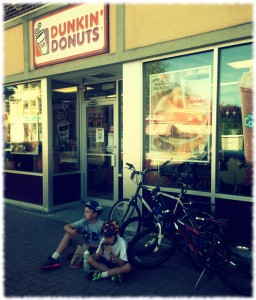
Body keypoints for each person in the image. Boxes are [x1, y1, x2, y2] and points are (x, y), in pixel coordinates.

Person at [40, 200, 104, 270]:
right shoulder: (84, 221)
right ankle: (54, 257)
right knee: (69, 233)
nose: (84, 214)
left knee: (75, 261)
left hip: (96, 251)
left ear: (95, 214)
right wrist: (72, 231)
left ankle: (80, 258)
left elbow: (102, 245)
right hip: (85, 247)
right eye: (85, 211)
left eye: (87, 212)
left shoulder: (101, 225)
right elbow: (66, 226)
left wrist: (87, 245)